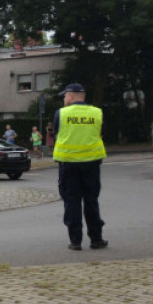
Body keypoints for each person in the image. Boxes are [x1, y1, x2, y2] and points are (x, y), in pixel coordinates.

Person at [52, 83, 106, 251]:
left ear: (72, 95)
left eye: (65, 96)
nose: (64, 98)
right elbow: (101, 133)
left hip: (68, 165)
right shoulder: (97, 113)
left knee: (72, 202)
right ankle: (96, 239)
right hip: (91, 165)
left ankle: (75, 241)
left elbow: (56, 133)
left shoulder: (61, 114)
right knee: (91, 201)